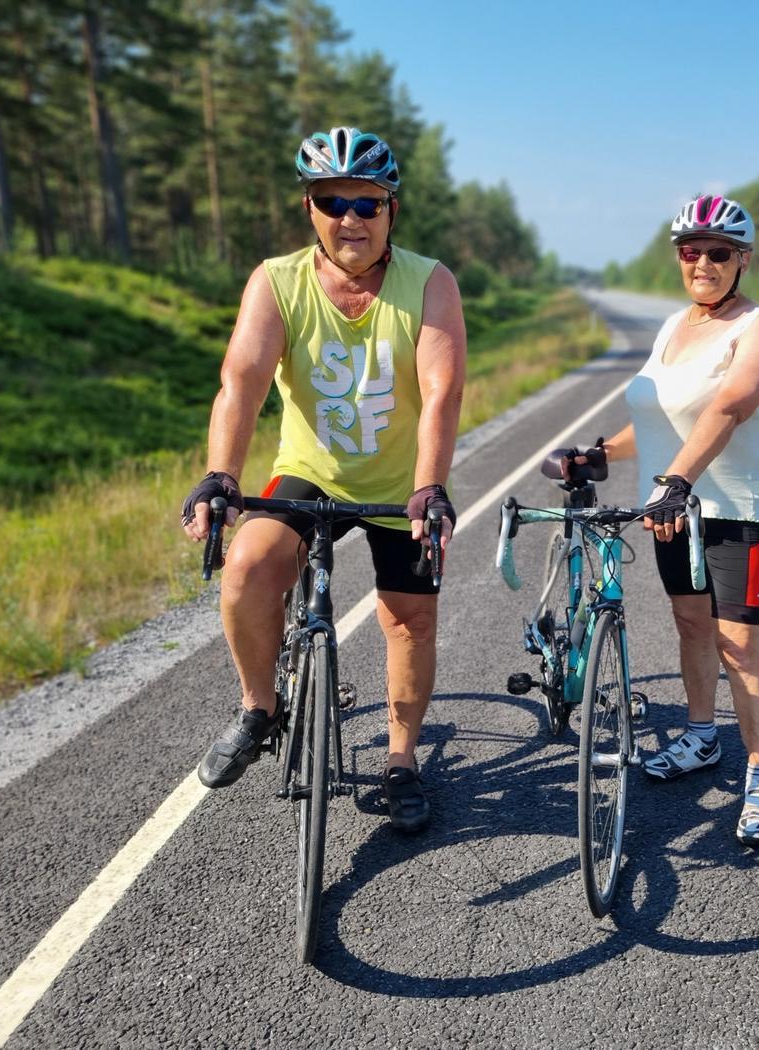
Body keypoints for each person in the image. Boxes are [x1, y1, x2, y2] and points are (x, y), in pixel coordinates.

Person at [181, 126, 465, 833]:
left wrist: (430, 487)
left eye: (368, 204)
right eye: (333, 201)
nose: (351, 219)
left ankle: (401, 761)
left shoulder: (428, 283)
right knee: (246, 566)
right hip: (308, 472)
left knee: (410, 618)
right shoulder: (276, 281)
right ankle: (259, 709)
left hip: (404, 482)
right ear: (309, 209)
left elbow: (441, 393)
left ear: (392, 211)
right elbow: (240, 384)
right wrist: (221, 474)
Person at [549, 194, 759, 847]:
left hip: (738, 509)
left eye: (719, 252)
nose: (703, 263)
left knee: (737, 644)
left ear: (743, 259)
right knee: (690, 625)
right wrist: (598, 452)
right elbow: (658, 418)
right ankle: (701, 736)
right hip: (670, 505)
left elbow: (732, 404)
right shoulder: (673, 327)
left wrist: (675, 481)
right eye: (691, 251)